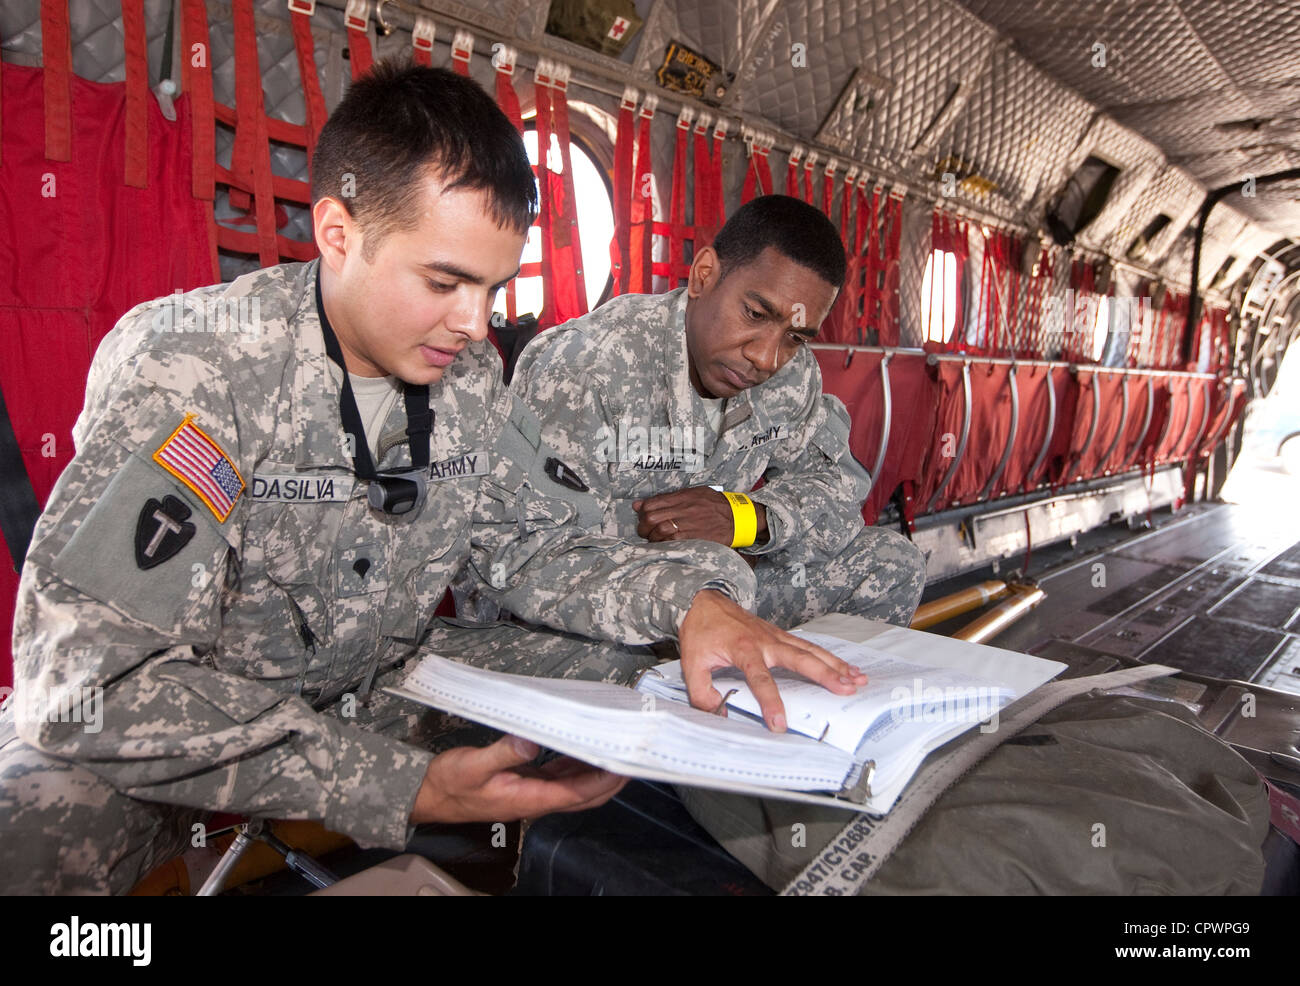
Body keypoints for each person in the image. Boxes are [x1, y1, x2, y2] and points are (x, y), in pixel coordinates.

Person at [0, 63, 863, 895]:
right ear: (338, 234)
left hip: (384, 681)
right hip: (213, 713)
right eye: (445, 282)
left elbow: (527, 546)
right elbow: (93, 681)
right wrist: (406, 789)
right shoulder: (196, 369)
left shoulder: (469, 376)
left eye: (493, 287)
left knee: (634, 666)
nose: (474, 323)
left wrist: (688, 603)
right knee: (34, 811)